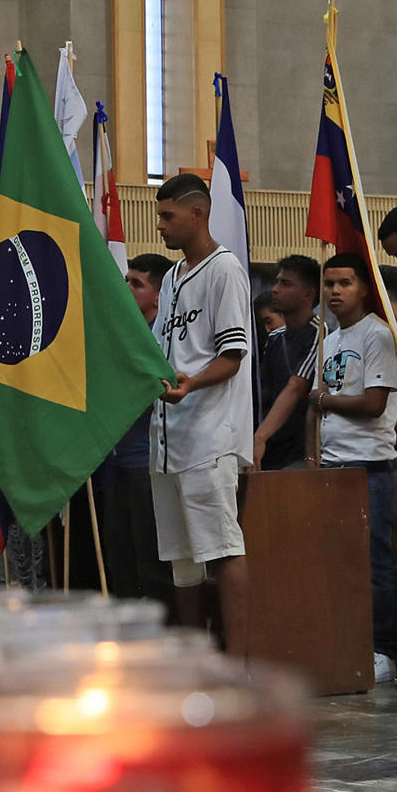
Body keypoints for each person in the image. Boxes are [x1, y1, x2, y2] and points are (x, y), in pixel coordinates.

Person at [150, 174, 254, 639]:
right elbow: (161, 354)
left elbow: (232, 355)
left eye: (168, 216)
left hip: (209, 436)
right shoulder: (172, 276)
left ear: (198, 212)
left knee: (223, 548)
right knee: (182, 558)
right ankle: (195, 662)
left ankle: (240, 665)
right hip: (168, 436)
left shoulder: (225, 269)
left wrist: (190, 385)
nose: (161, 226)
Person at [306, 255, 397, 681]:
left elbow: (372, 402)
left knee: (373, 560)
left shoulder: (376, 335)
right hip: (331, 462)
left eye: (345, 283)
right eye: (329, 284)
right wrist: (312, 459)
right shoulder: (329, 337)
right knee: (338, 560)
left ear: (364, 288)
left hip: (368, 464)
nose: (335, 292)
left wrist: (326, 402)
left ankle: (382, 647)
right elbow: (313, 403)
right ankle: (344, 640)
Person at [103, 255, 175, 609]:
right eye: (126, 280)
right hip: (114, 461)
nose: (127, 288)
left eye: (137, 283)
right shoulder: (121, 333)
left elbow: (154, 393)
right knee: (119, 557)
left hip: (148, 463)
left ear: (159, 295)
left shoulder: (163, 338)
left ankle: (161, 636)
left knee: (152, 560)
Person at [253, 254, 322, 472]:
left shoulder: (320, 334)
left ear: (307, 294)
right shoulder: (274, 338)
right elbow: (263, 392)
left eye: (285, 283)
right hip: (269, 449)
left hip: (300, 453)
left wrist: (259, 437)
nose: (275, 289)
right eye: (276, 282)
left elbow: (296, 387)